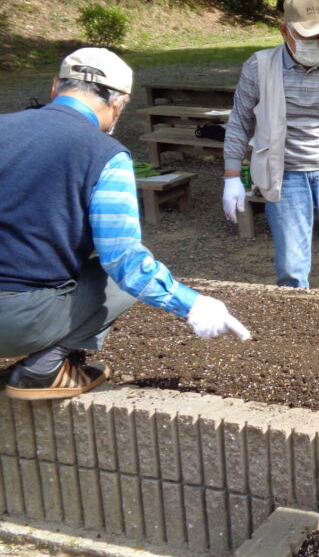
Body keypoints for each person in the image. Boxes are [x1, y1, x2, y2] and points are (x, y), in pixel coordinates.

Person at [0, 48, 250, 401]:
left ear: (56, 86)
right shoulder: (104, 154)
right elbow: (124, 259)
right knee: (114, 278)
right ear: (119, 103)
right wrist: (193, 304)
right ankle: (45, 367)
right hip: (15, 322)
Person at [221, 0, 319, 292]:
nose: (317, 44)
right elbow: (240, 121)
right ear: (285, 31)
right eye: (308, 37)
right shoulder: (259, 66)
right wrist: (231, 177)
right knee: (292, 267)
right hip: (285, 174)